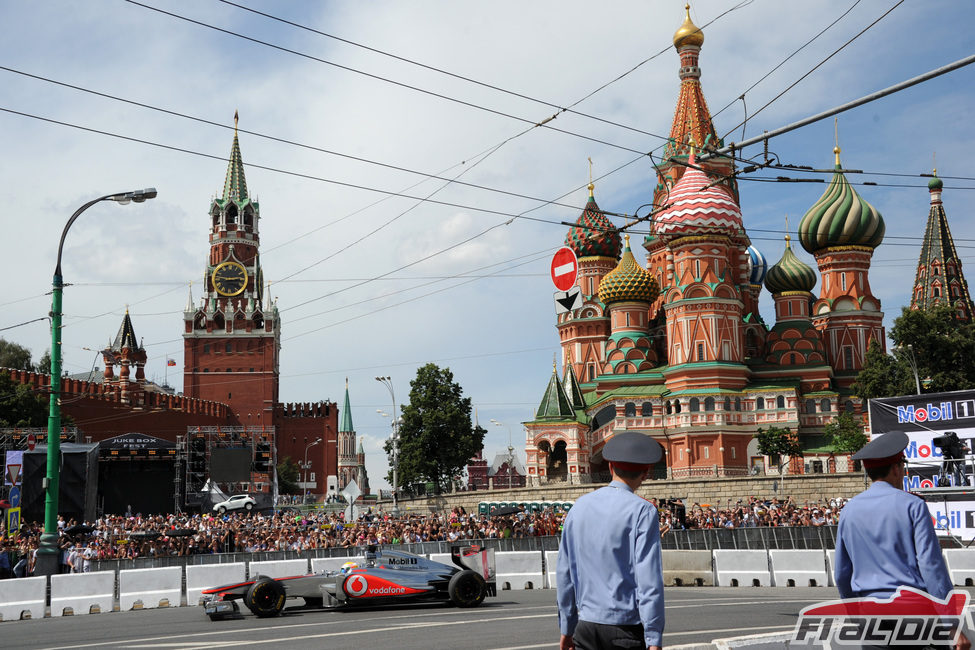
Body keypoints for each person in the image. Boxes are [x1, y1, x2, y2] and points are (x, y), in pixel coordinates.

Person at [835, 430, 969, 650]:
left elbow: (841, 574)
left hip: (871, 615)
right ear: (897, 469)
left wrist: (855, 616)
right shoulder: (913, 505)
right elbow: (931, 567)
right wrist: (951, 624)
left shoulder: (848, 510)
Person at [557, 431, 665, 650]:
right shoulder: (643, 511)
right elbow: (649, 579)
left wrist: (567, 627)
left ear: (610, 467)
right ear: (645, 473)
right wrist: (653, 637)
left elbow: (565, 574)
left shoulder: (579, 507)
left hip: (585, 626)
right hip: (625, 627)